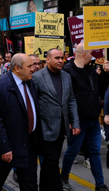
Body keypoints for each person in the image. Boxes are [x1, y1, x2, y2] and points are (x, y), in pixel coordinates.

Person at [0, 53, 41, 191]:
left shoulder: (30, 83)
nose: (33, 69)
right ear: (17, 68)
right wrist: (5, 147)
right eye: (29, 66)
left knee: (30, 184)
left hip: (28, 144)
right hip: (8, 147)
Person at [61, 43, 109, 191]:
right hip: (78, 121)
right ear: (84, 55)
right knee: (73, 150)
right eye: (91, 53)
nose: (93, 56)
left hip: (93, 120)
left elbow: (100, 90)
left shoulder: (91, 71)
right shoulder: (68, 71)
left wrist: (106, 73)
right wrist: (71, 120)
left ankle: (100, 184)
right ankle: (64, 176)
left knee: (95, 151)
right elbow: (67, 98)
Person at [32, 48, 80, 191]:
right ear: (47, 60)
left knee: (49, 164)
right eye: (57, 58)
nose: (60, 60)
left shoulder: (66, 76)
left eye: (62, 58)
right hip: (45, 128)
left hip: (61, 128)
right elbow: (33, 104)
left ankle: (44, 188)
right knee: (52, 163)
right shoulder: (38, 77)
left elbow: (71, 100)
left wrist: (75, 122)